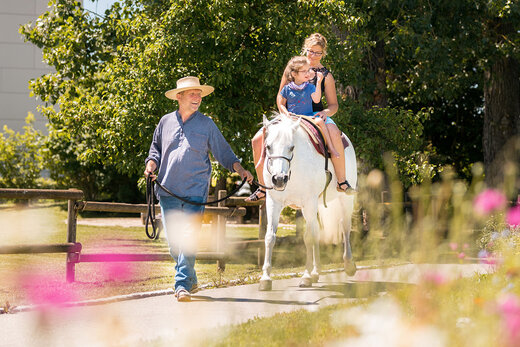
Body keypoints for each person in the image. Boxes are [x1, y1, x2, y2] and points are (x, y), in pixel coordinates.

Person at [144, 76, 253, 302]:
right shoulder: (165, 122)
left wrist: (240, 169)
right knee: (175, 242)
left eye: (199, 94)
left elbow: (224, 152)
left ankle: (181, 284)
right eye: (192, 94)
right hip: (167, 190)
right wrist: (150, 165)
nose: (197, 98)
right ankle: (191, 280)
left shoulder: (207, 124)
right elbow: (155, 150)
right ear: (179, 97)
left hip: (195, 190)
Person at [246, 33, 353, 202]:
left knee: (333, 131)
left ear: (323, 53)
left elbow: (334, 105)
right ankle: (263, 186)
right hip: (290, 115)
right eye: (311, 51)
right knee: (257, 138)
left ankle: (341, 180)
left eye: (318, 53)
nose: (314, 56)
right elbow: (280, 97)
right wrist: (283, 111)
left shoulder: (325, 76)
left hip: (313, 115)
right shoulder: (293, 68)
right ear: (305, 49)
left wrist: (325, 113)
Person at [277, 55, 341, 159]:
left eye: (308, 70)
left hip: (307, 116)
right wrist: (285, 113)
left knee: (320, 121)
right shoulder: (287, 89)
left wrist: (319, 83)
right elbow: (281, 103)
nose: (308, 73)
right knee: (271, 127)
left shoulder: (310, 87)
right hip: (292, 116)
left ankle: (330, 147)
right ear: (294, 74)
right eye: (304, 71)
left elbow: (316, 99)